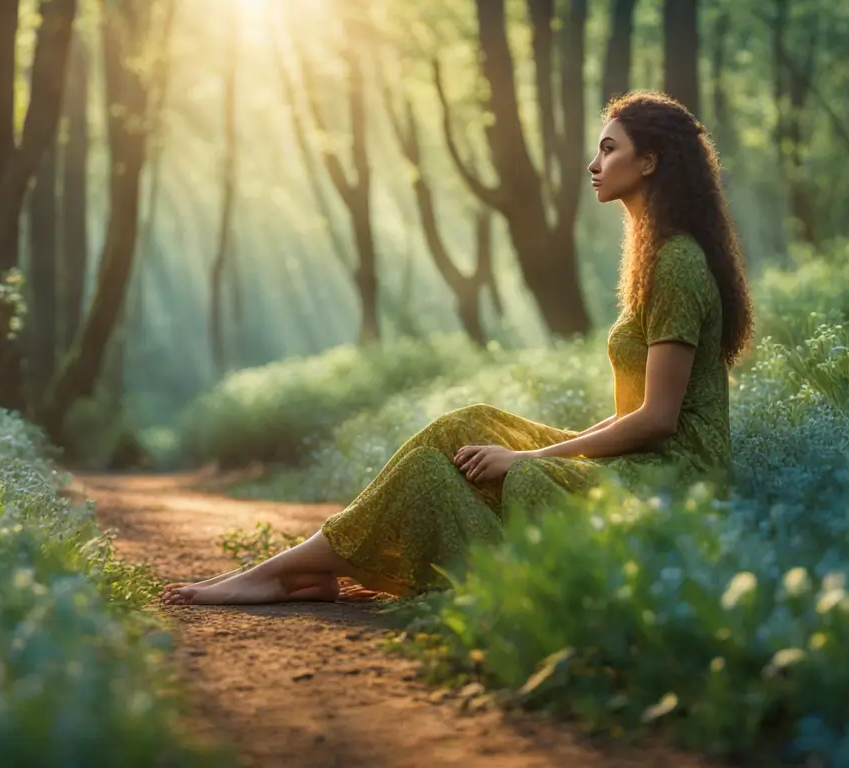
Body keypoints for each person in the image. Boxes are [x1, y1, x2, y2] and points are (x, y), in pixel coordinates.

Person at [163, 91, 754, 606]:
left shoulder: (677, 263)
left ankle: (297, 571)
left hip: (675, 482)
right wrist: (545, 452)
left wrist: (531, 459)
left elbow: (656, 420)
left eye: (609, 149)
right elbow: (637, 415)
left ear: (648, 162)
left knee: (518, 480)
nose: (593, 164)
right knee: (468, 427)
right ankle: (303, 569)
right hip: (642, 461)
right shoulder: (653, 260)